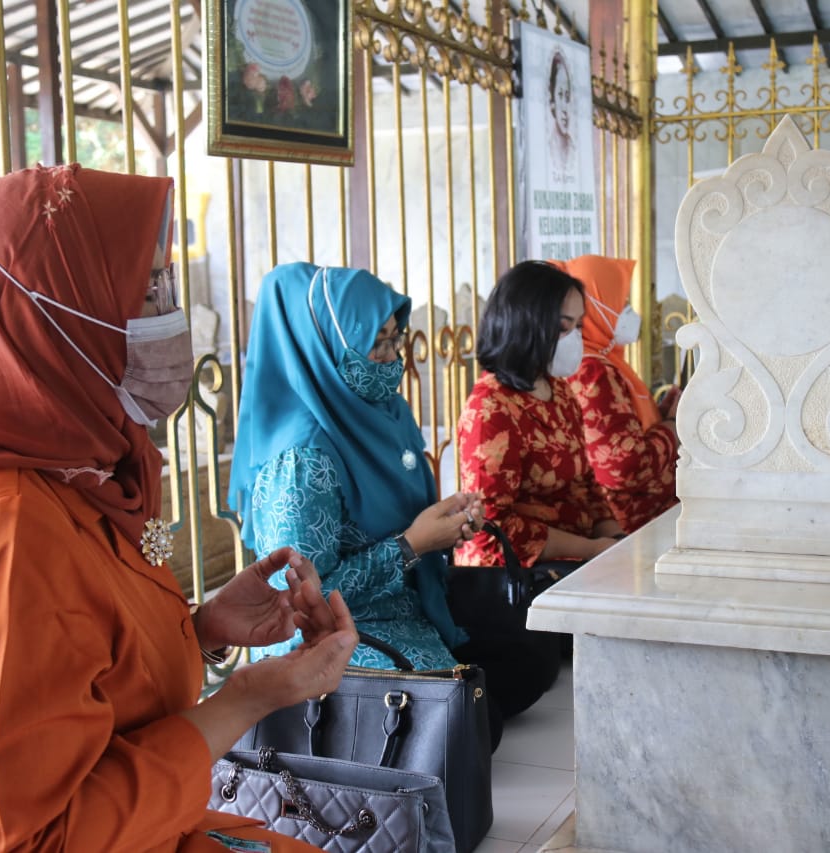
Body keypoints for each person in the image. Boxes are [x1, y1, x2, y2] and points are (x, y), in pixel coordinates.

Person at [0, 165, 357, 852]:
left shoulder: (71, 474)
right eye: (145, 290)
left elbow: (67, 672)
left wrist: (200, 630)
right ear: (45, 322)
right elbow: (22, 841)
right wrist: (247, 697)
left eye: (166, 284)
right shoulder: (1, 533)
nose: (168, 313)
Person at [228, 262, 557, 741]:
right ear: (329, 345)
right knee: (464, 725)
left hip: (407, 605)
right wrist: (412, 545)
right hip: (333, 635)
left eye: (393, 340)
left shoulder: (383, 415)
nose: (390, 359)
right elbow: (298, 601)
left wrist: (447, 522)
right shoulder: (302, 460)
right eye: (375, 344)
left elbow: (405, 520)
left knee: (532, 658)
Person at [456, 260, 624, 570]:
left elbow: (585, 485)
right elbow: (491, 527)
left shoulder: (557, 390)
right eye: (563, 327)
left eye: (577, 326)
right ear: (525, 324)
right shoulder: (491, 408)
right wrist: (590, 549)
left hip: (578, 561)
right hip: (518, 575)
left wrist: (615, 538)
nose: (574, 339)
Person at [552, 255, 679, 532]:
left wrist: (661, 413)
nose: (629, 311)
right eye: (621, 301)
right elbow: (624, 466)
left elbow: (616, 429)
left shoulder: (594, 362)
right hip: (629, 524)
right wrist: (672, 427)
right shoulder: (592, 371)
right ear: (595, 308)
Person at [546, 48, 576, 183]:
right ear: (552, 101)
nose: (565, 109)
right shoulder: (547, 150)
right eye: (560, 95)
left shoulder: (573, 150)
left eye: (567, 96)